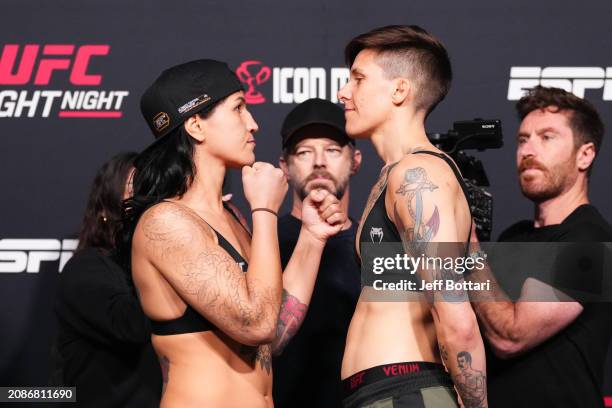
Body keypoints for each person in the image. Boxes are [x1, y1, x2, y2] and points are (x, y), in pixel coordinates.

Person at [123, 60, 346, 407]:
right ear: (196, 125)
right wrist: (266, 210)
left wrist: (311, 238)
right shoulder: (165, 223)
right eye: (239, 108)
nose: (253, 123)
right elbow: (255, 322)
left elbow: (272, 335)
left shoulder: (230, 216)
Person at [337, 25, 488, 407]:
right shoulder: (394, 174)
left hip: (408, 393)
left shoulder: (419, 177)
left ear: (400, 90)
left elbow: (456, 318)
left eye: (357, 80)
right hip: (385, 393)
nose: (343, 93)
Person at [469, 86, 612, 407]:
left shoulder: (591, 240)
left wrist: (467, 248)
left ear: (585, 154)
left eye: (547, 137)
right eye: (523, 139)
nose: (528, 150)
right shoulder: (512, 237)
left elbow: (510, 336)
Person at [273, 98, 362, 407]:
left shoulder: (376, 244)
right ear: (284, 166)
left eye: (333, 150)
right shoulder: (261, 241)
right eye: (304, 152)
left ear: (356, 161)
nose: (319, 162)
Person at [54, 152, 162, 407]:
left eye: (152, 188)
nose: (145, 199)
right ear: (107, 203)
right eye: (135, 187)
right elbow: (135, 325)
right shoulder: (85, 268)